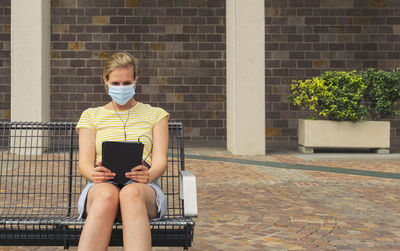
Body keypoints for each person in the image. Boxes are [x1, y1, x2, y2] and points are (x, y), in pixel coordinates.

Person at [75, 52, 169, 251]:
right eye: (115, 83)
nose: (121, 88)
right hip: (103, 185)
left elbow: (160, 161)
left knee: (130, 193)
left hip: (143, 187)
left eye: (126, 83)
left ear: (136, 80)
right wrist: (93, 173)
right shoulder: (91, 115)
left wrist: (148, 174)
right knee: (107, 195)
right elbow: (84, 163)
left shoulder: (156, 115)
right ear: (105, 81)